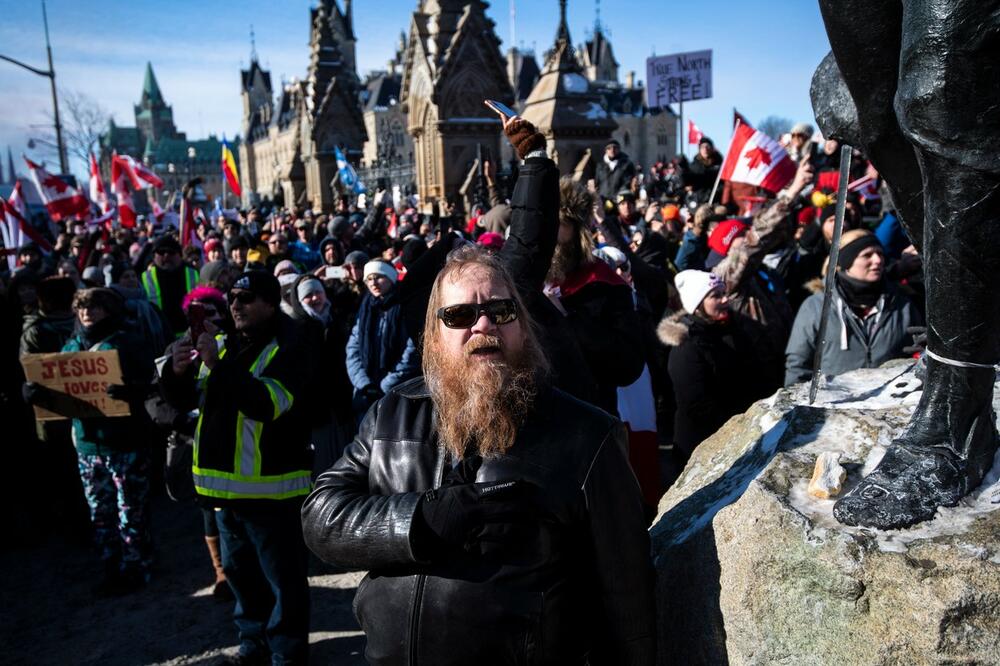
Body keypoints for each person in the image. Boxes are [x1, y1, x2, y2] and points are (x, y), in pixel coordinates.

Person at [301, 246, 655, 665]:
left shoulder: (587, 436)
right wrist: (417, 521)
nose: (483, 324)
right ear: (435, 336)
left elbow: (629, 601)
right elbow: (321, 516)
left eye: (501, 311)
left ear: (523, 326)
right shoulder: (391, 414)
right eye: (460, 316)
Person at [159, 271, 312, 664]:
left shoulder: (292, 345)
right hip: (224, 492)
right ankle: (253, 641)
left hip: (271, 491)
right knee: (241, 577)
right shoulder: (223, 344)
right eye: (232, 298)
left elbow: (267, 405)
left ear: (270, 302)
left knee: (284, 583)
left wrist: (217, 363)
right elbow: (186, 401)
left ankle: (286, 653)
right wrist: (175, 372)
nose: (236, 306)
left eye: (246, 298)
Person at [23, 287, 155, 595]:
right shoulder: (71, 346)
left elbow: (152, 386)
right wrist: (34, 394)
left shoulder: (129, 343)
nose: (87, 313)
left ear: (109, 310)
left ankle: (137, 566)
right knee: (100, 511)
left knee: (130, 510)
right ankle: (111, 566)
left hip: (126, 442)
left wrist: (130, 391)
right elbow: (58, 390)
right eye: (82, 308)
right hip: (87, 444)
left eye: (94, 308)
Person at [659, 270, 772, 467]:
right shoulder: (686, 346)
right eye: (715, 296)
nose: (725, 299)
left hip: (743, 432)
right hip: (702, 445)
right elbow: (697, 405)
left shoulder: (735, 328)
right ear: (697, 305)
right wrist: (739, 426)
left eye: (723, 293)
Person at [784, 230, 921, 386]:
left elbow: (918, 356)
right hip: (833, 405)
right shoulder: (815, 307)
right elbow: (798, 367)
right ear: (846, 261)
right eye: (867, 255)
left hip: (889, 404)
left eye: (880, 254)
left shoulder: (902, 303)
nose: (878, 260)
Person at [345, 260, 420, 419]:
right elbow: (353, 348)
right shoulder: (365, 308)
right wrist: (364, 384)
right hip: (366, 392)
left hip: (398, 391)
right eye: (369, 279)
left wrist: (386, 384)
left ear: (391, 278)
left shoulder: (404, 305)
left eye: (379, 277)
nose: (373, 283)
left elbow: (411, 349)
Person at [141, 234, 200, 336]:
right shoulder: (145, 277)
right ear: (154, 256)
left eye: (171, 252)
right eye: (161, 252)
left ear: (180, 255)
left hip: (190, 334)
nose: (166, 256)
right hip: (159, 336)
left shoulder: (193, 273)